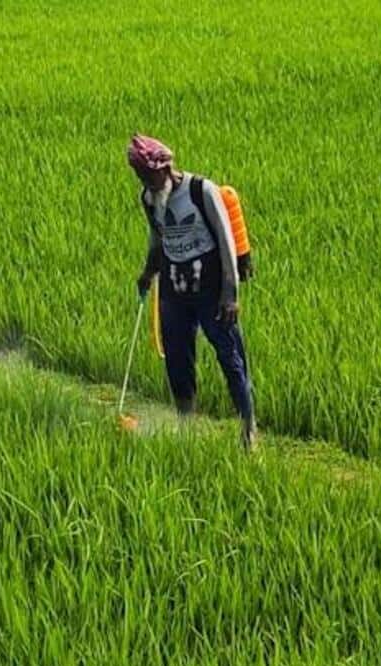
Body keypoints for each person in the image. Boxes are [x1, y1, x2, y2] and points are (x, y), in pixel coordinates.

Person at [127, 134, 257, 450]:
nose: (148, 183)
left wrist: (230, 294)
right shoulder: (149, 198)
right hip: (174, 287)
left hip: (211, 287)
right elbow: (158, 239)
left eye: (150, 176)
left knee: (231, 357)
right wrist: (148, 272)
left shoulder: (201, 191)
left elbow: (226, 244)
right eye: (141, 177)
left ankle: (248, 427)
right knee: (177, 359)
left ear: (165, 168)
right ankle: (186, 425)